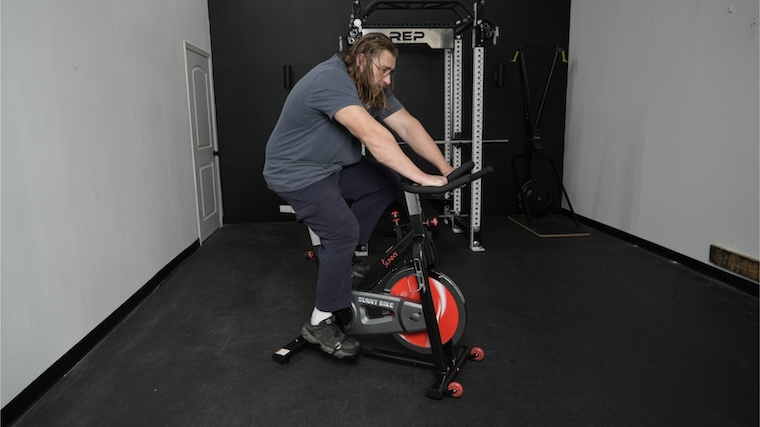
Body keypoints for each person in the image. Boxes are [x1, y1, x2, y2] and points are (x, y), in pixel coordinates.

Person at [263, 33, 454, 359]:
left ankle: (341, 260)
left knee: (384, 182)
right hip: (297, 172)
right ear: (362, 61)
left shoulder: (370, 85)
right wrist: (422, 176)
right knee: (341, 231)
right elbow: (374, 136)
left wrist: (445, 169)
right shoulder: (330, 80)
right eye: (384, 70)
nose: (388, 79)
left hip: (330, 165)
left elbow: (406, 125)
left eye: (392, 72)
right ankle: (320, 320)